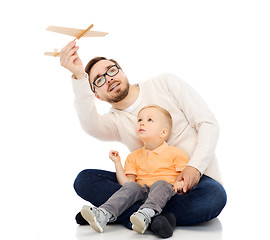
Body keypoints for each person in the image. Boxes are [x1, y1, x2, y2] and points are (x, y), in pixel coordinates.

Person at [60, 41, 227, 238]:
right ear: (97, 96)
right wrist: (80, 76)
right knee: (85, 180)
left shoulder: (165, 83)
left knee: (214, 197)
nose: (109, 79)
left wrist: (195, 167)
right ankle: (153, 218)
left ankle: (114, 212)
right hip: (145, 187)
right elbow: (89, 124)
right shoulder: (114, 121)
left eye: (111, 70)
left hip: (193, 183)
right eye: (98, 80)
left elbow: (208, 123)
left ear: (122, 71)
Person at [80, 105, 189, 237]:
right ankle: (104, 214)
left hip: (166, 193)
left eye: (149, 120)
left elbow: (185, 178)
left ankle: (145, 214)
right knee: (132, 186)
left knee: (161, 183)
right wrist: (117, 163)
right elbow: (127, 184)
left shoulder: (176, 153)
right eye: (139, 120)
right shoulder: (134, 156)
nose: (142, 122)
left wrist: (180, 183)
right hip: (142, 193)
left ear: (163, 133)